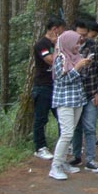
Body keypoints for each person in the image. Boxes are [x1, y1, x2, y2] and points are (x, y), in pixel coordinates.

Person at [49, 30, 92, 181]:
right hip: (64, 101)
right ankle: (55, 167)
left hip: (77, 99)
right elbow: (62, 80)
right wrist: (77, 67)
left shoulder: (76, 57)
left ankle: (63, 162)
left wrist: (84, 65)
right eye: (76, 43)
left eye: (80, 42)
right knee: (66, 133)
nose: (78, 46)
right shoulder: (60, 58)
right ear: (68, 43)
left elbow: (79, 77)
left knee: (69, 133)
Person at [69, 20, 98, 173]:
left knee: (90, 127)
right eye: (79, 34)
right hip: (74, 95)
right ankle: (76, 156)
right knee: (76, 128)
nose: (82, 38)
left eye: (85, 35)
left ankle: (90, 159)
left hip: (91, 93)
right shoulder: (69, 48)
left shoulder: (96, 47)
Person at [32, 17, 66, 160]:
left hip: (56, 86)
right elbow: (50, 60)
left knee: (62, 117)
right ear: (54, 29)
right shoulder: (42, 44)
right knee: (41, 118)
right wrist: (58, 47)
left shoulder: (58, 44)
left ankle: (63, 145)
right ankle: (40, 147)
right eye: (61, 31)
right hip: (43, 86)